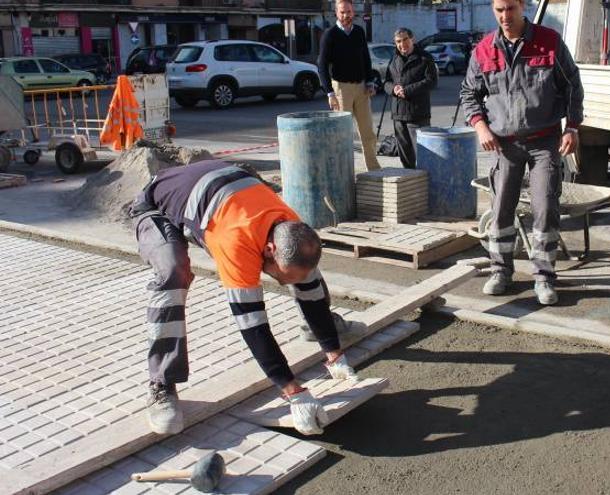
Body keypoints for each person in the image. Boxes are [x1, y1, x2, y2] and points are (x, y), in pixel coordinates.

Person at [130, 159, 360, 436]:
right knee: (173, 272)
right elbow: (253, 326)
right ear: (269, 249)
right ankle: (161, 384)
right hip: (157, 205)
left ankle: (322, 331)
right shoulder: (236, 244)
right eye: (283, 276)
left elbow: (307, 283)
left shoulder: (291, 227)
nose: (286, 282)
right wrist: (293, 391)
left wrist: (334, 354)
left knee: (306, 270)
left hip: (218, 189)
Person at [460, 0, 583, 306]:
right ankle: (500, 271)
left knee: (544, 206)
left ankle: (543, 277)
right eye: (499, 9)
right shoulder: (484, 49)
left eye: (511, 8)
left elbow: (572, 86)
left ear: (522, 7)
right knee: (502, 208)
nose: (505, 16)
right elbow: (468, 93)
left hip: (545, 141)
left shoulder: (549, 42)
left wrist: (573, 127)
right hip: (504, 144)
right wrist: (481, 127)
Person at [318, 0, 381, 171]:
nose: (346, 15)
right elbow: (322, 65)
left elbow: (366, 59)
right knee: (342, 134)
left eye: (349, 12)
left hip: (361, 88)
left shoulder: (359, 32)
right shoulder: (330, 35)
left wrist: (370, 82)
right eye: (342, 12)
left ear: (353, 12)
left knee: (367, 132)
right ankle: (343, 171)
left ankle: (373, 169)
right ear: (336, 13)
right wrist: (329, 93)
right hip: (341, 89)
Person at [382, 27, 438, 169]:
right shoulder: (394, 60)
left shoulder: (425, 58)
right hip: (398, 116)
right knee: (405, 157)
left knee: (424, 155)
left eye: (405, 39)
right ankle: (410, 184)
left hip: (418, 115)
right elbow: (386, 82)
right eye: (398, 41)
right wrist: (393, 89)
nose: (402, 44)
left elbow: (431, 81)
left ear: (412, 39)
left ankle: (426, 186)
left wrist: (407, 91)